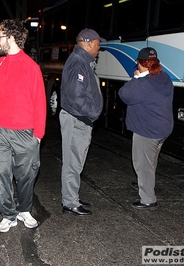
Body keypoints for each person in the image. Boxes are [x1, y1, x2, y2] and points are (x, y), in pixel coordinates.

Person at [0, 19, 47, 233]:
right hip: (1, 129)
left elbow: (40, 101)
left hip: (25, 132)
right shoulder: (0, 63)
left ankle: (24, 210)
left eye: (0, 36)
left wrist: (38, 134)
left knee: (26, 175)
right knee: (1, 173)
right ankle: (8, 215)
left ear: (11, 38)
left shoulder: (31, 67)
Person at [118, 47, 173, 210]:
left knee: (143, 164)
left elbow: (124, 94)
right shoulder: (164, 77)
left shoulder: (143, 83)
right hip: (163, 128)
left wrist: (136, 78)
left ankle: (148, 199)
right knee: (150, 160)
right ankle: (144, 183)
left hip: (147, 131)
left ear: (141, 64)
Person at [59, 29, 105, 216]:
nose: (99, 47)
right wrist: (93, 112)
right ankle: (70, 203)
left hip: (80, 118)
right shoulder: (78, 63)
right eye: (97, 43)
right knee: (72, 161)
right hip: (76, 119)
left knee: (77, 161)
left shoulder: (83, 61)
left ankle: (72, 196)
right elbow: (76, 95)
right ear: (88, 43)